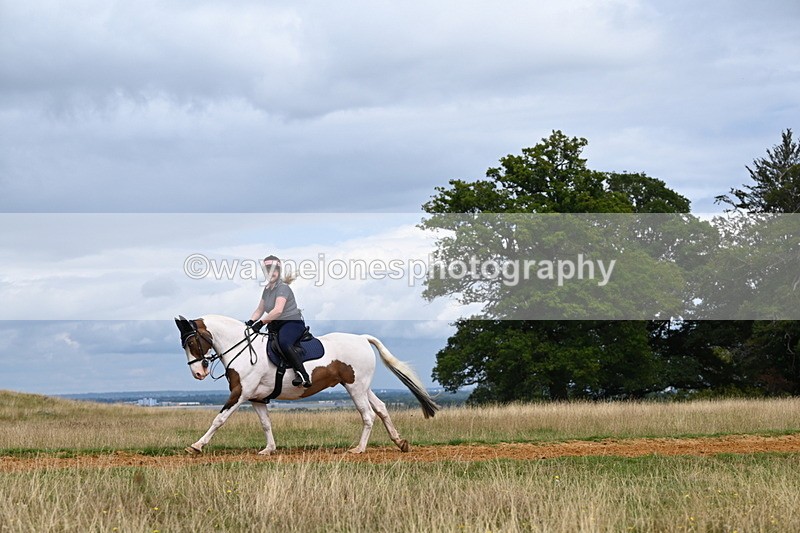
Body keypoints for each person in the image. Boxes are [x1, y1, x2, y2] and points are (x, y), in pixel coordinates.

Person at [245, 255, 312, 388]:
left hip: (292, 323)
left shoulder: (283, 288)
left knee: (284, 342)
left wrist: (261, 323)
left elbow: (278, 310)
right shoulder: (267, 289)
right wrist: (250, 322)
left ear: (279, 271)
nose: (271, 273)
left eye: (274, 270)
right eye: (268, 270)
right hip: (275, 326)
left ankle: (303, 375)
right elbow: (260, 309)